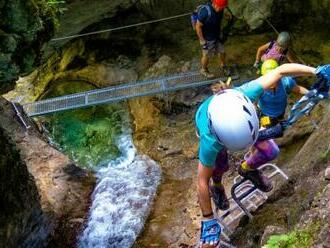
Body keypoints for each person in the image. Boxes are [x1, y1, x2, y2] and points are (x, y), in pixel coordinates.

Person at [195, 63, 330, 248]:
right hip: (219, 134)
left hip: (245, 125)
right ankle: (218, 186)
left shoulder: (246, 93)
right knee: (220, 167)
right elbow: (202, 181)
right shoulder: (209, 142)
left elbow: (281, 70)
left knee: (271, 151)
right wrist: (208, 220)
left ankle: (247, 169)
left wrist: (317, 70)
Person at [195, 0, 232, 78]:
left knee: (222, 52)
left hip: (216, 36)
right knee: (207, 55)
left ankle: (223, 66)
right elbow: (198, 27)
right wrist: (202, 41)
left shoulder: (221, 9)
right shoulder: (205, 12)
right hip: (207, 38)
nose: (220, 9)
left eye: (222, 8)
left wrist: (226, 16)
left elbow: (219, 16)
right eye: (219, 7)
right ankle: (203, 69)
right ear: (214, 4)